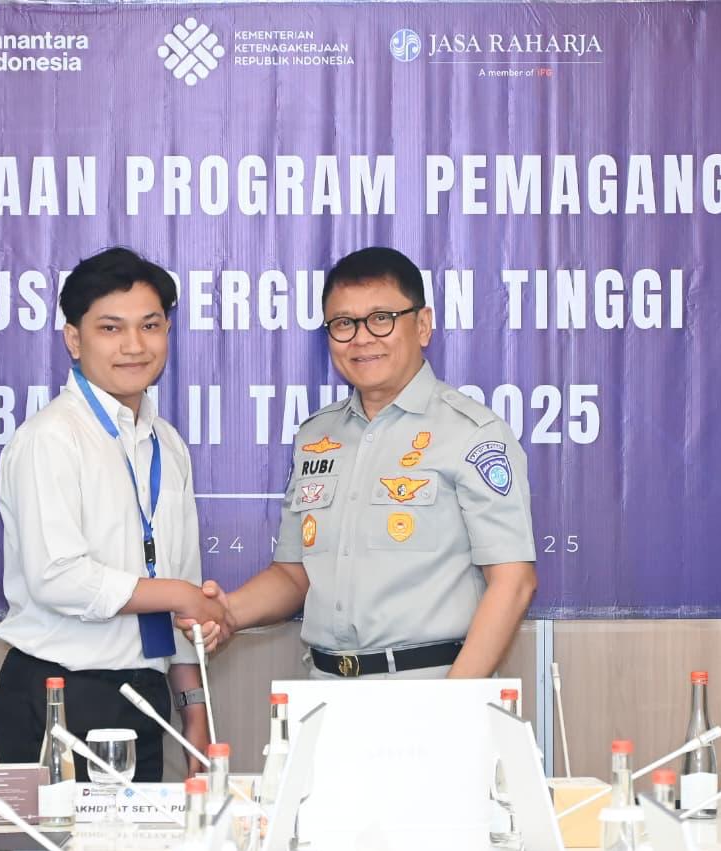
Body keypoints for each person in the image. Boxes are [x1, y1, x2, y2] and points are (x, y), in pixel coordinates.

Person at [181, 247, 537, 679]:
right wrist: (229, 612)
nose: (362, 338)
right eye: (344, 323)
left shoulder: (471, 433)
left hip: (431, 685)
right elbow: (294, 575)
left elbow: (513, 581)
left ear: (423, 325)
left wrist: (451, 701)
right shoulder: (316, 437)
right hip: (326, 688)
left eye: (382, 318)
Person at [0, 247, 223, 780]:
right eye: (111, 328)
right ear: (74, 339)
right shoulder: (51, 438)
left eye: (150, 326)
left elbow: (180, 583)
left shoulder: (167, 444)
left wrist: (195, 712)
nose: (134, 345)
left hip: (143, 696)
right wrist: (179, 594)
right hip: (60, 692)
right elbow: (57, 577)